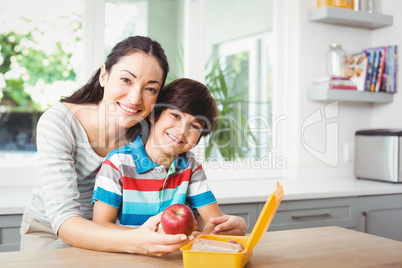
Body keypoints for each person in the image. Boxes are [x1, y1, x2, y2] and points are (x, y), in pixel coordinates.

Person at [20, 36, 182, 255]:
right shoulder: (59, 122)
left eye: (150, 89)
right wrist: (136, 240)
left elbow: (181, 180)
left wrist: (213, 223)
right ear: (104, 75)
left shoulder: (148, 133)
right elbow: (65, 221)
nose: (135, 98)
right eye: (126, 80)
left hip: (117, 230)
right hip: (50, 230)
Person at [92, 78, 247, 238]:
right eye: (176, 115)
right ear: (153, 115)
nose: (181, 131)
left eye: (194, 126)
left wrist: (233, 226)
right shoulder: (117, 163)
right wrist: (149, 237)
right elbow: (101, 226)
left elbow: (214, 222)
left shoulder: (190, 166)